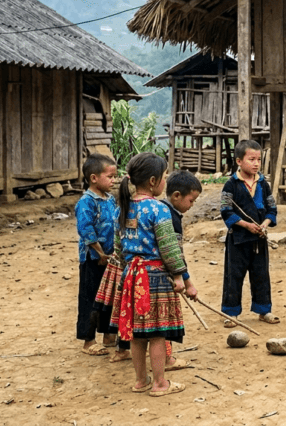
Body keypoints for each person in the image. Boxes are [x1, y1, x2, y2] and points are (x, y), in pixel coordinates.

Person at [112, 152, 188, 396]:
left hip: (131, 276)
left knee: (136, 333)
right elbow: (169, 247)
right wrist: (179, 275)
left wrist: (124, 274)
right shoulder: (158, 209)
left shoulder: (122, 208)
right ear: (154, 181)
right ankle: (160, 384)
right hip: (154, 277)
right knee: (156, 333)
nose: (166, 181)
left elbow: (117, 248)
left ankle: (140, 381)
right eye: (165, 176)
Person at [220, 140, 279, 326]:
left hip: (259, 239)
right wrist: (245, 225)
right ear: (239, 161)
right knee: (234, 275)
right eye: (251, 159)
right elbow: (225, 211)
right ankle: (231, 313)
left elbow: (272, 209)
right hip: (238, 239)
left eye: (259, 160)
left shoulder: (263, 184)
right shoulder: (231, 184)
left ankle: (264, 310)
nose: (256, 164)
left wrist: (265, 224)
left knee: (261, 275)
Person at [75, 154, 119, 356]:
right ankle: (88, 339)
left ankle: (108, 334)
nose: (113, 180)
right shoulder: (86, 202)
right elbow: (86, 230)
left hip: (109, 258)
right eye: (110, 176)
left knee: (109, 297)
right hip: (93, 259)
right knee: (90, 298)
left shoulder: (110, 200)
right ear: (94, 178)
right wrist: (100, 253)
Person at [158, 170, 202, 371]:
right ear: (176, 196)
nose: (192, 205)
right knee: (163, 319)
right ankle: (166, 359)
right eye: (191, 201)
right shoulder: (171, 218)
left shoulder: (157, 209)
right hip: (165, 275)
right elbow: (175, 254)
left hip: (148, 273)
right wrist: (186, 282)